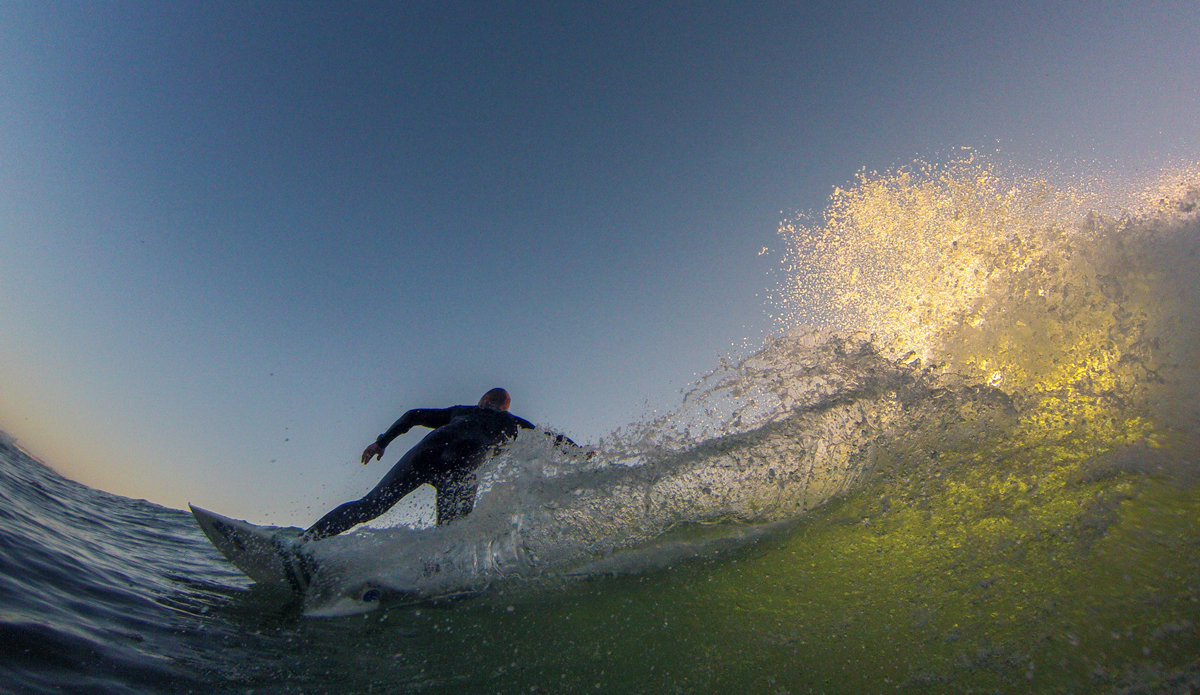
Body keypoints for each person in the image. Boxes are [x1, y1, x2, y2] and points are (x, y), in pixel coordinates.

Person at [301, 388, 581, 540]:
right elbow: (551, 437)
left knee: (370, 505)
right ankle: (433, 582)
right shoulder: (514, 423)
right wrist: (579, 453)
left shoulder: (463, 410)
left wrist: (381, 443)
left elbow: (413, 415)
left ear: (484, 401)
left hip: (426, 454)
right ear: (505, 407)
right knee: (450, 536)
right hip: (462, 469)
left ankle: (305, 542)